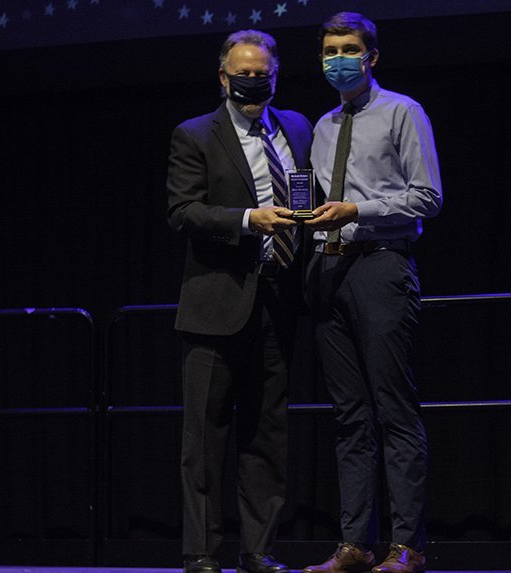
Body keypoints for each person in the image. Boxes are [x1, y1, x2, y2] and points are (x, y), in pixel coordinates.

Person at [166, 29, 313, 573]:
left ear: (275, 75)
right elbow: (183, 213)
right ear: (223, 76)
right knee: (205, 436)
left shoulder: (296, 126)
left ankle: (259, 550)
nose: (253, 80)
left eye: (263, 73)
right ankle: (202, 550)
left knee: (266, 432)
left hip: (279, 299)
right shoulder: (195, 134)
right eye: (243, 73)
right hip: (215, 304)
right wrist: (250, 221)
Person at [302, 12, 442, 573]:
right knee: (349, 415)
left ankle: (407, 546)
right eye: (330, 50)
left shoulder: (402, 112)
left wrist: (359, 209)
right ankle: (355, 544)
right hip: (328, 269)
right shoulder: (322, 126)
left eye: (350, 48)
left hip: (381, 265)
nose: (339, 58)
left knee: (393, 410)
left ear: (372, 56)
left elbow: (427, 197)